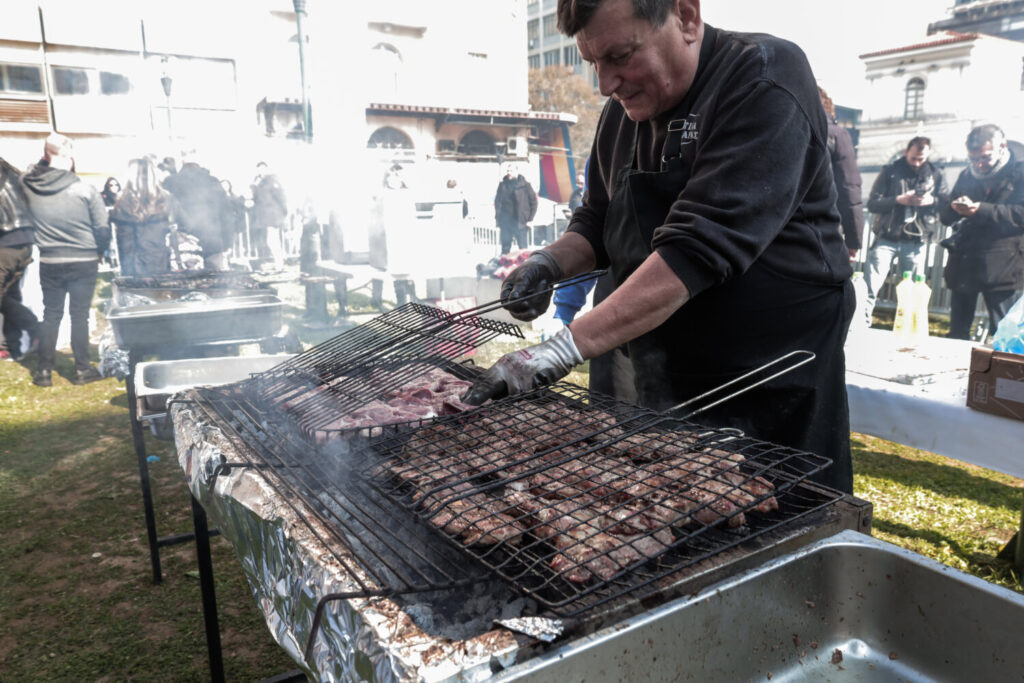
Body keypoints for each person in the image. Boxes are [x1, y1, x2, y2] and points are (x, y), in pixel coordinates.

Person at [463, 0, 855, 493]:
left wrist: (558, 351)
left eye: (621, 55)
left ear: (686, 18)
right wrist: (549, 262)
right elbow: (598, 219)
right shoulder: (620, 113)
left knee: (769, 512)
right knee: (638, 506)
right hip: (652, 349)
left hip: (761, 361)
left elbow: (696, 247)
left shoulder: (762, 77)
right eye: (594, 63)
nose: (606, 83)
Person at [19, 133, 109, 386]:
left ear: (46, 156)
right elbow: (102, 228)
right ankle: (82, 369)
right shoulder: (84, 189)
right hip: (84, 258)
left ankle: (44, 371)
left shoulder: (28, 186)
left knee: (52, 315)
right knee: (79, 315)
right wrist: (100, 250)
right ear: (69, 157)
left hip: (50, 260)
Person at [939, 123, 1024, 340]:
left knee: (1004, 334)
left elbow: (1020, 215)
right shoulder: (968, 174)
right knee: (957, 332)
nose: (980, 164)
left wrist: (980, 210)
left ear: (1002, 146)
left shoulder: (1020, 172)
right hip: (966, 259)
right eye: (974, 159)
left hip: (1003, 263)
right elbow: (946, 216)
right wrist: (954, 208)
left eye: (985, 158)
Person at [863, 137, 948, 325]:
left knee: (913, 290)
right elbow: (872, 203)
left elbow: (945, 203)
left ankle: (909, 328)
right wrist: (898, 200)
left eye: (921, 159)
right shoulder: (891, 171)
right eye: (913, 159)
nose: (917, 163)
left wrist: (930, 201)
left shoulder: (935, 173)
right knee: (870, 286)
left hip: (916, 240)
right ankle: (861, 323)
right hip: (887, 237)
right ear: (905, 153)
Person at [162, 151, 232, 270]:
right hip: (212, 239)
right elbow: (225, 213)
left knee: (182, 284)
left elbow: (165, 212)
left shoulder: (170, 182)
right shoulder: (213, 181)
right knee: (216, 281)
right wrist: (227, 240)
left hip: (181, 242)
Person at [0, 156, 40, 361]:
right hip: (24, 241)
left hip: (6, 242)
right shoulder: (12, 172)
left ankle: (34, 327)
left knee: (5, 296)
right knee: (9, 295)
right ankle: (10, 347)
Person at [818, 87, 863, 261]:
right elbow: (849, 189)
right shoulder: (837, 134)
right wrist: (853, 240)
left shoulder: (780, 128)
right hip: (819, 228)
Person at [110, 157, 172, 277]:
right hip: (160, 264)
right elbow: (186, 225)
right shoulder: (167, 199)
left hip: (130, 266)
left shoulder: (121, 203)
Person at [250, 161, 288, 269]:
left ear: (266, 169)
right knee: (271, 240)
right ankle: (279, 263)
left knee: (272, 240)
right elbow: (257, 198)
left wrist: (283, 212)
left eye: (263, 169)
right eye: (259, 169)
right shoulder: (259, 182)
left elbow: (281, 196)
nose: (261, 171)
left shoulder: (272, 180)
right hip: (265, 215)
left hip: (272, 214)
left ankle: (279, 264)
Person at [494, 163, 538, 254]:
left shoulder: (525, 185)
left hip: (521, 222)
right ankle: (505, 266)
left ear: (517, 171)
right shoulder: (502, 185)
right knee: (505, 250)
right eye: (508, 171)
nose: (509, 172)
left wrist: (530, 219)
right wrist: (498, 219)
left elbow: (534, 202)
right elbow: (498, 203)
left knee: (523, 250)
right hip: (506, 222)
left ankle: (524, 267)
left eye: (511, 171)